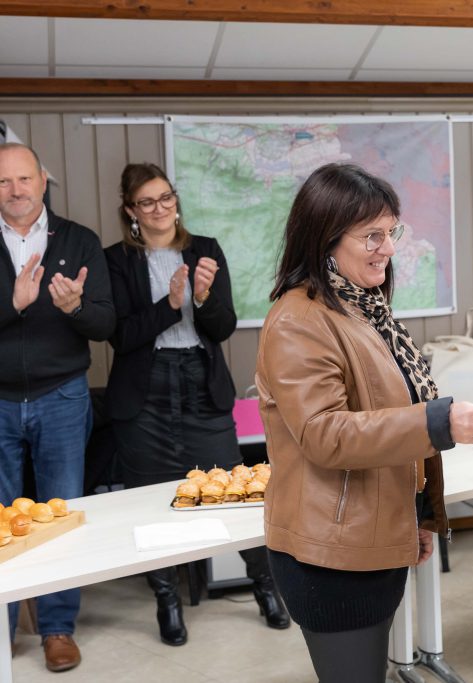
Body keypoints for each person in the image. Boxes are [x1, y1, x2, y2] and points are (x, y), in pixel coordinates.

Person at [256, 162, 473, 681]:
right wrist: (439, 423)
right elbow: (326, 434)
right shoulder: (298, 321)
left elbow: (385, 417)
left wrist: (414, 516)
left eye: (392, 232)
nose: (389, 248)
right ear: (325, 239)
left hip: (370, 537)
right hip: (331, 554)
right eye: (372, 236)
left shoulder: (364, 310)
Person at [104, 162, 290, 647]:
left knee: (234, 491)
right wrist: (169, 305)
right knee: (151, 502)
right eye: (147, 202)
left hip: (201, 384)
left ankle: (264, 587)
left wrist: (203, 297)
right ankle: (166, 598)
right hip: (144, 393)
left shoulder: (205, 249)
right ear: (131, 211)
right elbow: (120, 336)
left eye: (166, 197)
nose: (160, 209)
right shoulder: (116, 260)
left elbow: (223, 327)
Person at [0, 142, 115, 672]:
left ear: (43, 181)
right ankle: (2, 632)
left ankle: (57, 628)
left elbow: (105, 324)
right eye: (3, 182)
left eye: (24, 179)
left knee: (60, 513)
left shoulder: (78, 240)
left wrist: (76, 309)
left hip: (63, 396)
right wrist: (13, 304)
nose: (15, 190)